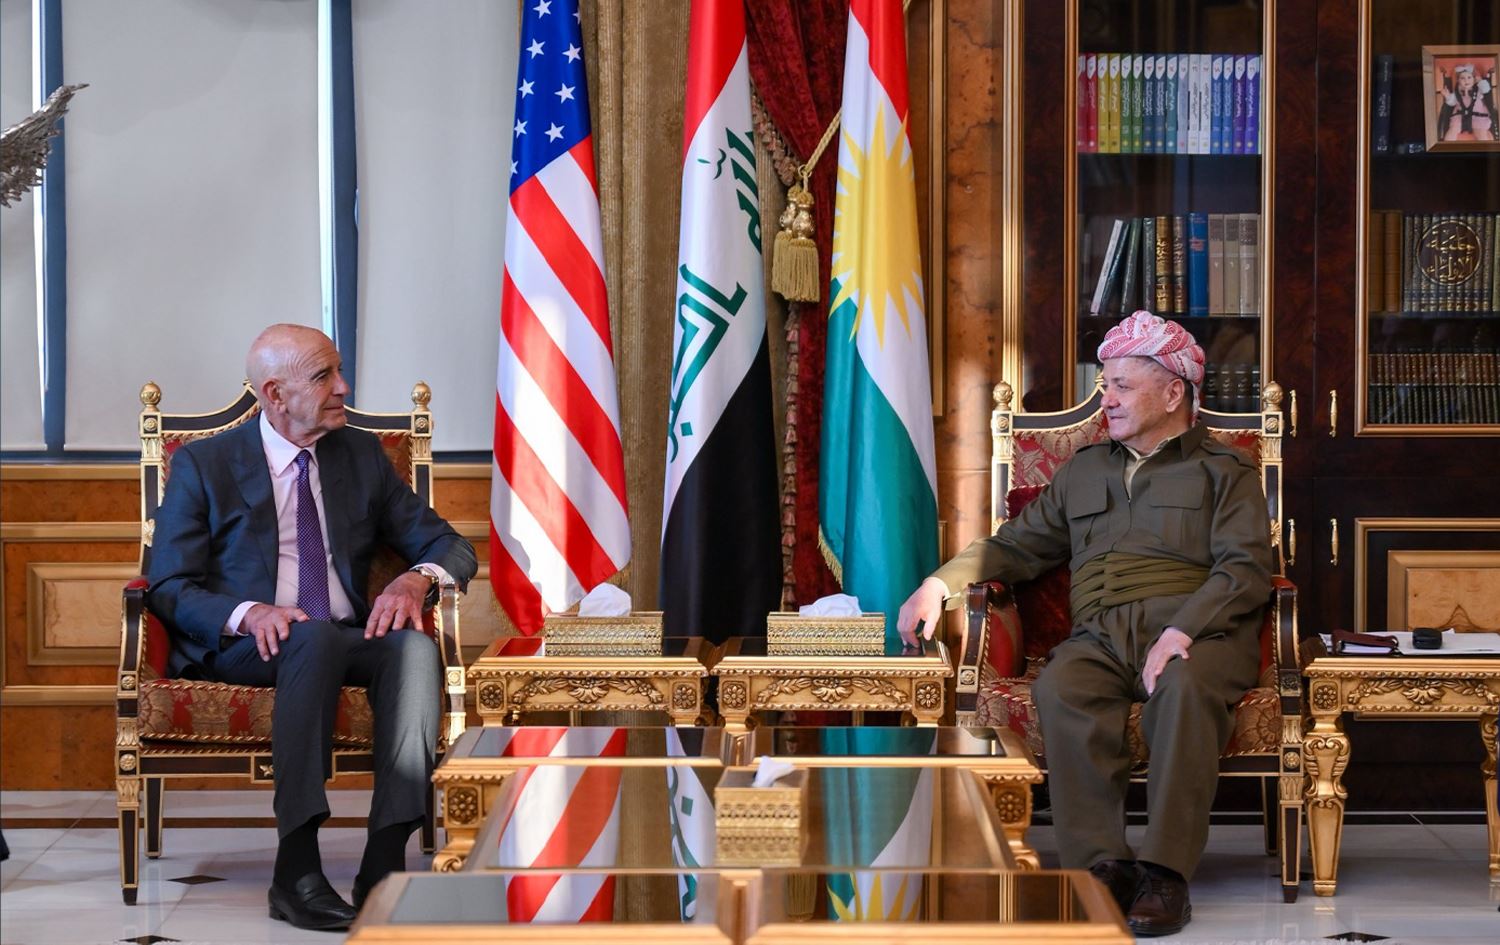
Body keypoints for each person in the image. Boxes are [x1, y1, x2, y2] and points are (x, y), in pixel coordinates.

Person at [897, 311, 1272, 937]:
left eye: (1122, 385)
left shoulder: (1225, 472)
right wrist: (941, 584)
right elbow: (1017, 546)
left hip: (1198, 633)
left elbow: (1245, 570)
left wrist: (1182, 631)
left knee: (1184, 689)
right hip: (1100, 635)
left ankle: (1164, 875)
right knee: (1062, 687)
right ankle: (1103, 868)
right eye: (1106, 384)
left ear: (1172, 392)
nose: (1108, 398)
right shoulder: (1084, 469)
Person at [147, 324, 477, 931]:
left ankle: (384, 866)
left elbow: (450, 545)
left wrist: (416, 579)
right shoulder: (205, 463)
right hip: (248, 646)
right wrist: (250, 613)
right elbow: (167, 585)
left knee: (412, 649)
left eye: (339, 371)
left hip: (344, 635)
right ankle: (295, 872)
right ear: (275, 393)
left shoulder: (359, 455)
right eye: (324, 376)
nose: (343, 387)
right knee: (312, 637)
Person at [1437, 62, 1495, 142]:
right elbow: (1452, 102)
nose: (1466, 80)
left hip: (1477, 118)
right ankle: (1448, 147)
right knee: (1451, 133)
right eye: (1462, 78)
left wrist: (1480, 81)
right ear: (1458, 80)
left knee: (1482, 136)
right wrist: (1447, 96)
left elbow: (1486, 90)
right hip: (1460, 118)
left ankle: (1484, 148)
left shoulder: (1478, 90)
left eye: (1469, 77)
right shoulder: (1457, 92)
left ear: (1474, 79)